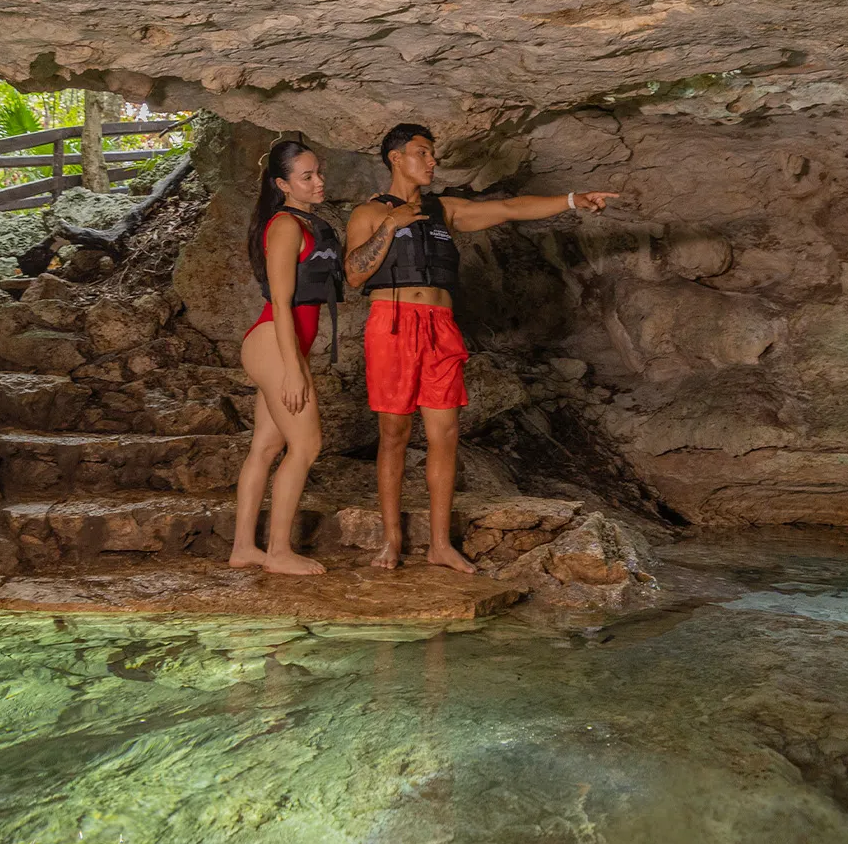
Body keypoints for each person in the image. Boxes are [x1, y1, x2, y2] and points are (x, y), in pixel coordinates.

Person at [345, 123, 618, 573]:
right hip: (391, 325)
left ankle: (439, 545)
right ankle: (391, 540)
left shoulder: (444, 210)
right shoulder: (368, 213)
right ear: (396, 157)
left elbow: (509, 208)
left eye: (433, 154)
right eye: (422, 153)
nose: (431, 161)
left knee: (445, 433)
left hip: (439, 326)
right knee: (394, 434)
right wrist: (389, 228)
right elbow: (355, 274)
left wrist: (573, 200)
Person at [228, 139, 344, 575]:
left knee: (266, 445)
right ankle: (278, 551)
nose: (318, 182)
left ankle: (244, 546)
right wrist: (294, 370)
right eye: (306, 177)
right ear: (282, 184)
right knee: (307, 444)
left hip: (284, 346)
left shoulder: (309, 224)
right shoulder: (285, 226)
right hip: (274, 343)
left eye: (319, 173)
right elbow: (280, 302)